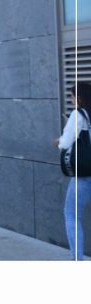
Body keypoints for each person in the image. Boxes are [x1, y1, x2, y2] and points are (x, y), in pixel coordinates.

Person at [54, 81, 91, 260]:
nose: (71, 99)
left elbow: (66, 142)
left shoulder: (78, 114)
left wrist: (58, 142)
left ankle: (77, 259)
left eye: (72, 96)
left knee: (71, 215)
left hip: (84, 174)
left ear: (80, 98)